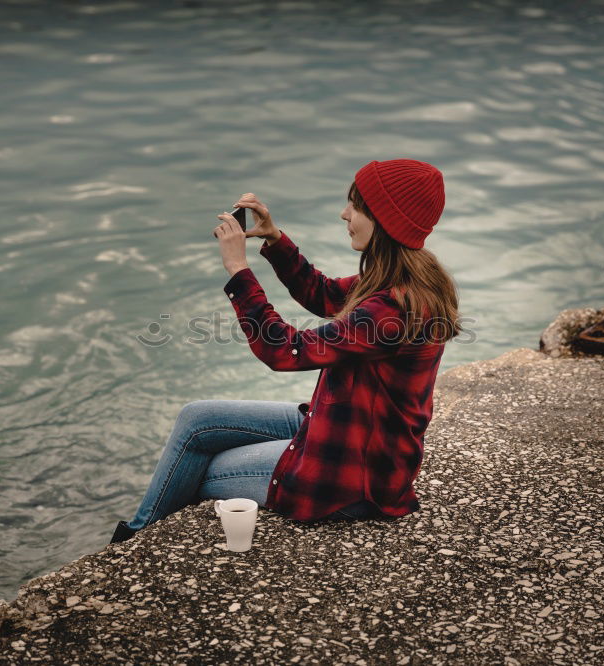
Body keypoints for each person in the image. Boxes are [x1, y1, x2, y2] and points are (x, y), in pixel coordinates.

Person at [110, 159, 461, 544]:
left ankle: (131, 545)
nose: (345, 214)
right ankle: (136, 534)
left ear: (386, 219)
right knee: (198, 419)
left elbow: (285, 350)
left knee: (201, 469)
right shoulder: (405, 279)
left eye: (356, 206)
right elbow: (326, 294)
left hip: (351, 476)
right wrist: (275, 240)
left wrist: (238, 270)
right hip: (344, 432)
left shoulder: (394, 307)